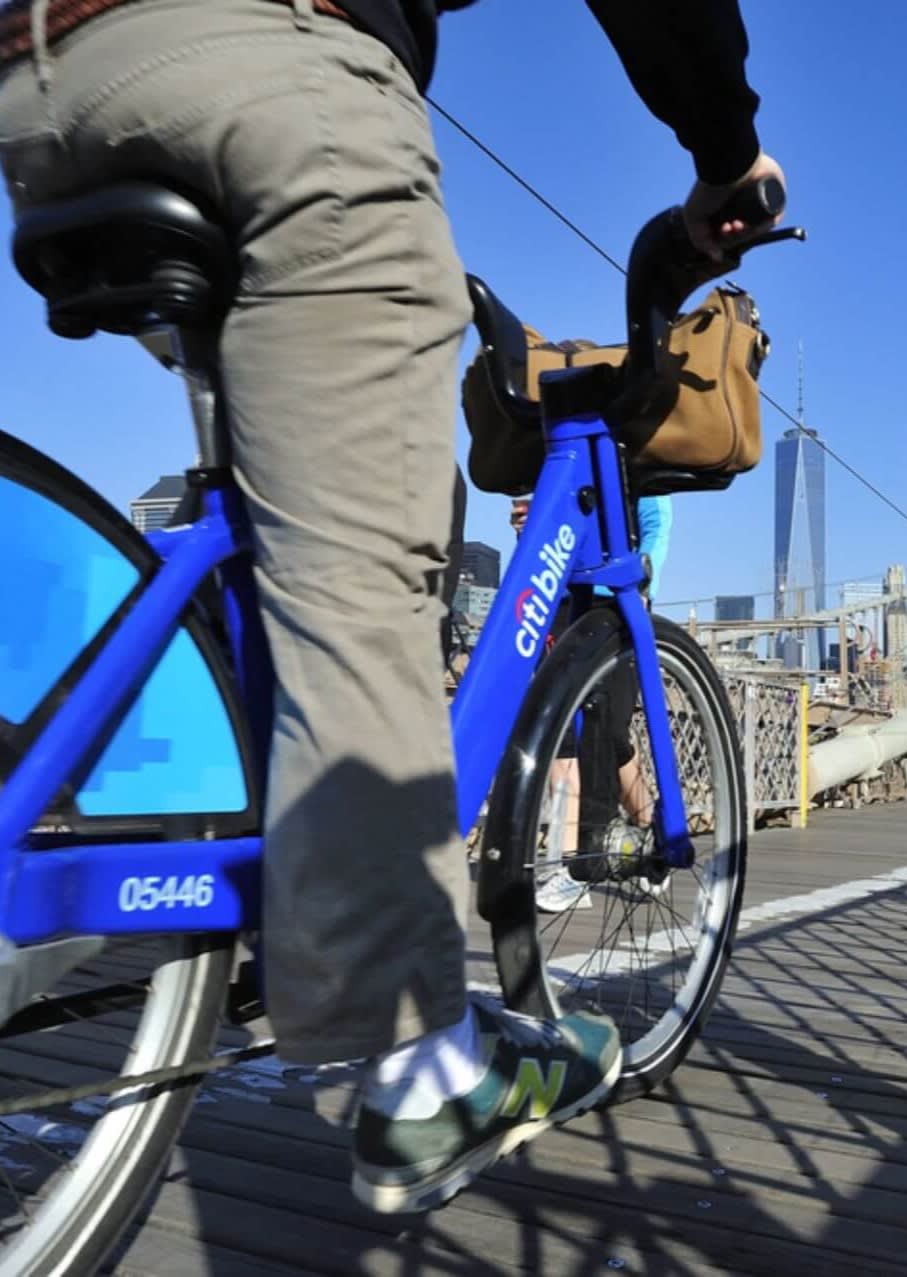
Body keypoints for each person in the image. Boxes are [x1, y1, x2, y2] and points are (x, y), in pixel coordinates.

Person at [0, 0, 781, 1215]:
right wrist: (725, 148)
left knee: (266, 522)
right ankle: (420, 1056)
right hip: (261, 60)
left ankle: (275, 855)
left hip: (44, 83)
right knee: (365, 561)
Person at [534, 493, 673, 913]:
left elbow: (656, 519)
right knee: (560, 731)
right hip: (559, 596)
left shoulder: (634, 454)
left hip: (615, 596)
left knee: (609, 734)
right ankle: (569, 866)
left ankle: (652, 833)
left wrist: (643, 581)